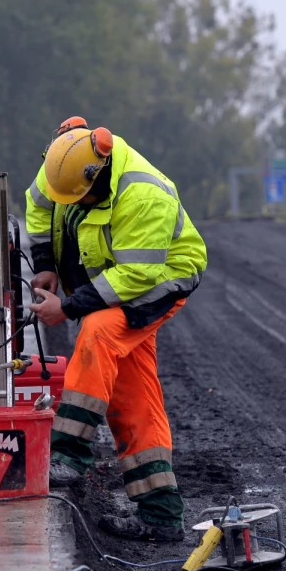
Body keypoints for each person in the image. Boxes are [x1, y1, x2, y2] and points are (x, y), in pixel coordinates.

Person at [24, 116, 208, 542]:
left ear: (100, 172)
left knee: (99, 332)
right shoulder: (64, 162)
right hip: (112, 278)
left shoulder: (145, 195)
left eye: (83, 198)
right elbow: (38, 204)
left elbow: (136, 276)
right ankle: (161, 513)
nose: (76, 204)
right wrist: (46, 266)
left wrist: (67, 307)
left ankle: (69, 454)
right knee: (131, 395)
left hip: (157, 280)